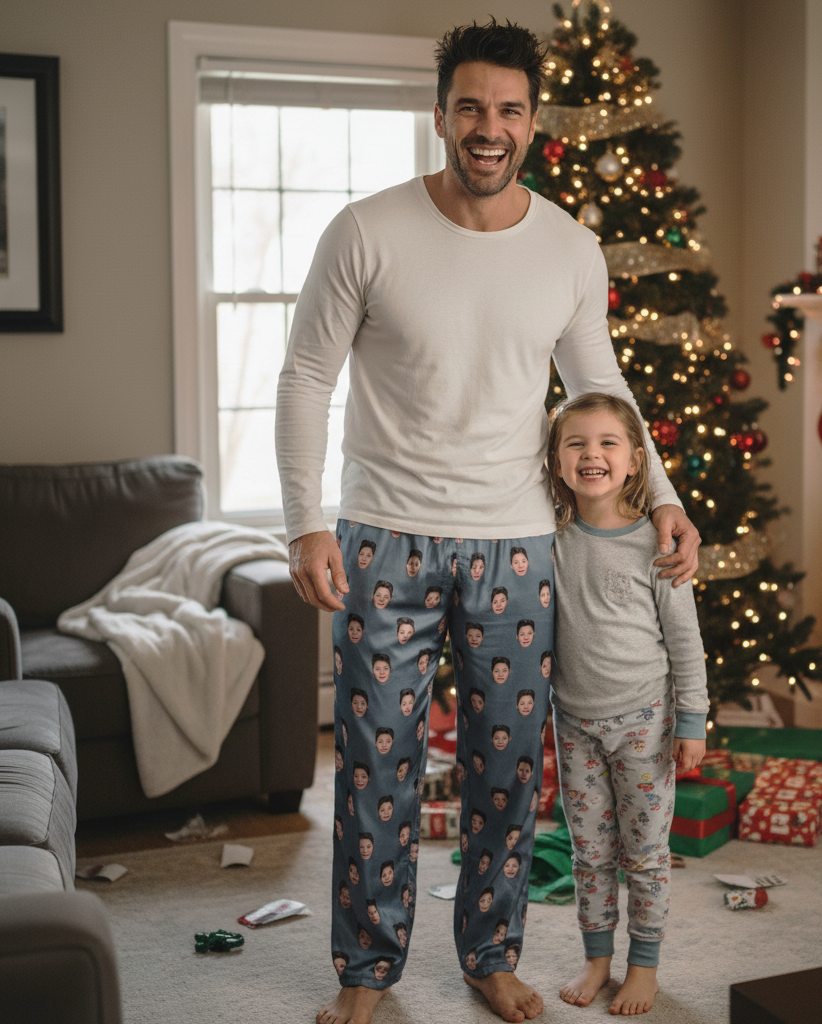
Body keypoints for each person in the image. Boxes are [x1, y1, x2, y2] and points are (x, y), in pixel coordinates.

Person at [275, 19, 700, 1024]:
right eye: (469, 106)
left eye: (508, 109)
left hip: (517, 543)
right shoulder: (365, 229)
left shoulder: (568, 245)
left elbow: (601, 386)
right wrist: (304, 523)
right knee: (376, 764)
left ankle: (489, 954)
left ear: (532, 121)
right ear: (439, 115)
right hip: (382, 533)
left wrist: (667, 498)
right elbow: (305, 377)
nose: (488, 127)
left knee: (505, 774)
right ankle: (366, 970)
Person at [546, 393, 709, 1017]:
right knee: (588, 852)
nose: (593, 455)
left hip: (646, 723)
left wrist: (691, 720)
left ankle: (644, 966)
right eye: (577, 444)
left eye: (609, 443)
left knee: (644, 853)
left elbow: (686, 643)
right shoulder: (552, 541)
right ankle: (596, 961)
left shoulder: (658, 543)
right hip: (575, 723)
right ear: (557, 463)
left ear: (636, 461)